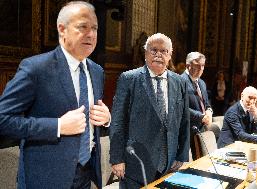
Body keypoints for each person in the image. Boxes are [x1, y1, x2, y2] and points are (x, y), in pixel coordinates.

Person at [0, 1, 111, 189]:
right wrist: (57, 126)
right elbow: (3, 120)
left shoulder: (97, 71)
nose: (91, 34)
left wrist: (106, 119)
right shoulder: (36, 68)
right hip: (46, 177)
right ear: (62, 29)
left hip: (85, 175)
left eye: (94, 28)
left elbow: (93, 120)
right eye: (82, 27)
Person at [109, 33, 190, 189]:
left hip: (169, 163)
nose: (158, 55)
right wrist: (117, 158)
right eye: (154, 50)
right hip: (136, 165)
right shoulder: (128, 79)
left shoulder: (180, 82)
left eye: (164, 51)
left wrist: (181, 155)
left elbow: (184, 121)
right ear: (145, 53)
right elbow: (118, 122)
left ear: (170, 55)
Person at [180, 52, 213, 159]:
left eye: (203, 65)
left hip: (201, 127)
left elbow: (207, 103)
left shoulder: (202, 83)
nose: (201, 68)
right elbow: (180, 107)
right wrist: (201, 116)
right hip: (187, 128)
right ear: (188, 65)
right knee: (183, 162)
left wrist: (209, 111)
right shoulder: (180, 81)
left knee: (201, 159)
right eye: (198, 66)